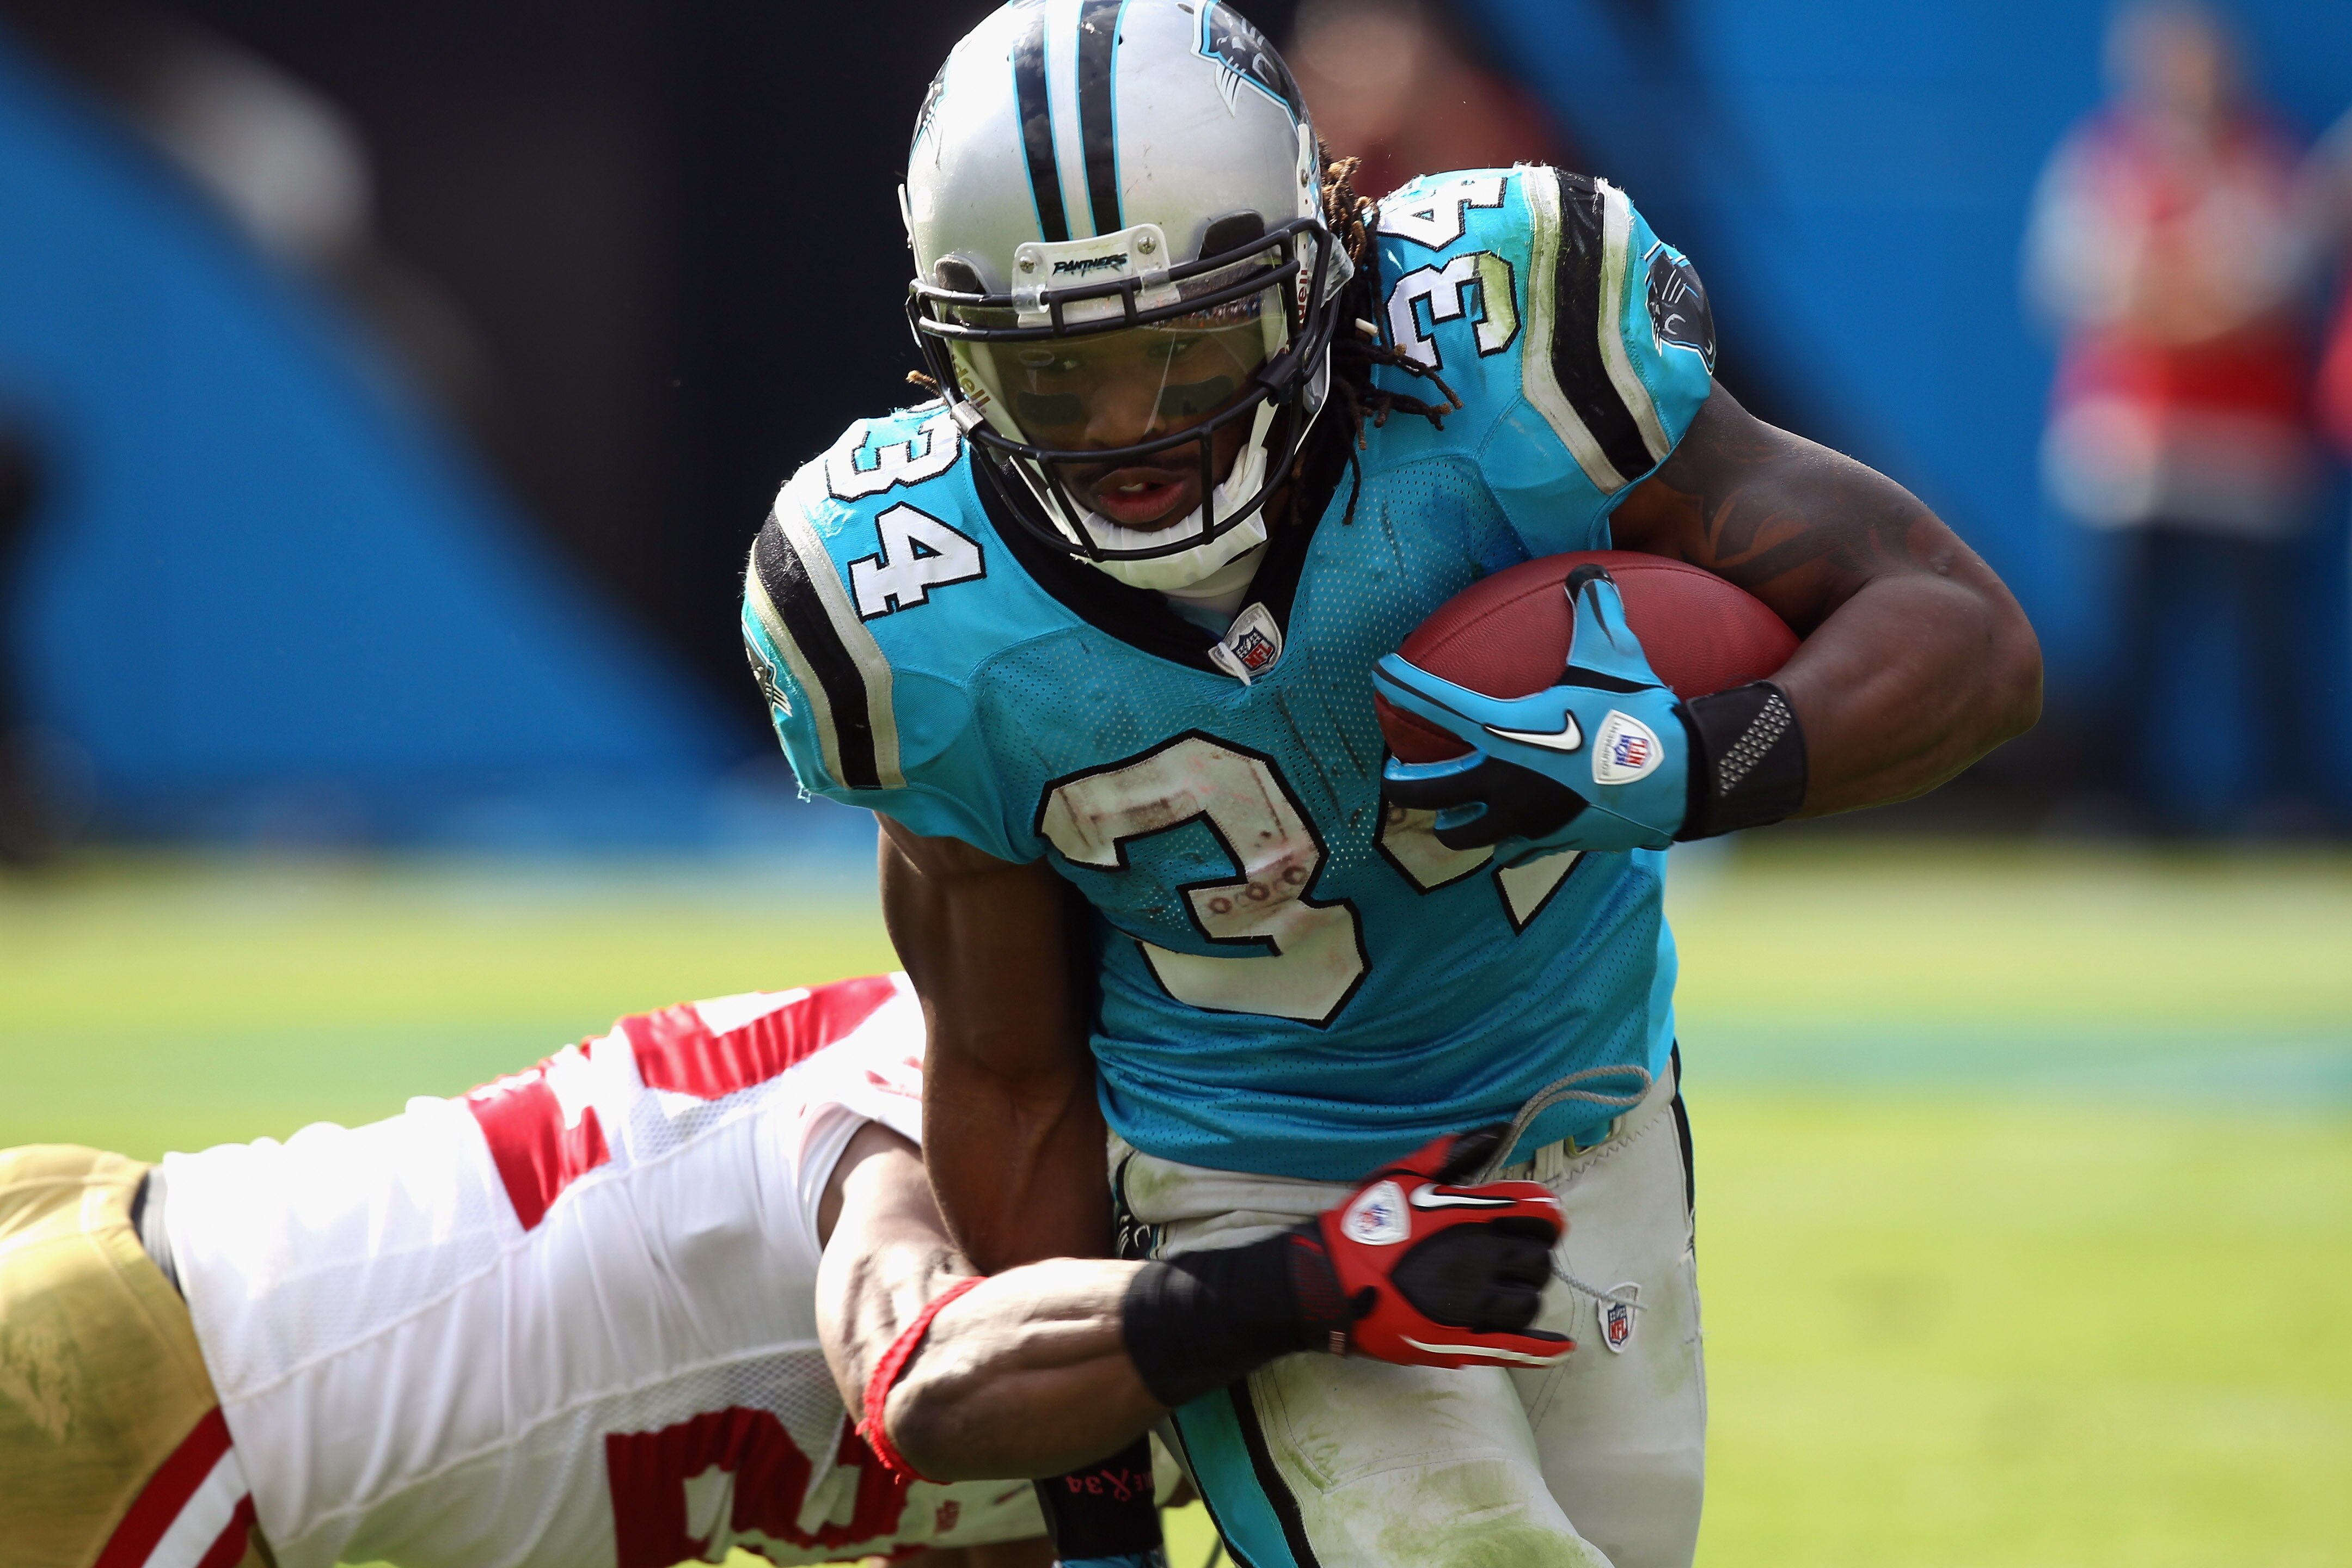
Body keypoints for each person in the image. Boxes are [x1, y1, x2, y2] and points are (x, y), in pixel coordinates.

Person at [740, 5, 2041, 1565]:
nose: (1127, 434)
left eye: (1185, 349)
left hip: (1587, 1109)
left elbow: (1963, 635)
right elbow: (1009, 1067)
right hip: (1244, 1189)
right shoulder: (897, 605)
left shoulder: (1510, 341)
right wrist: (1093, 1488)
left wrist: (1673, 761)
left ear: (1314, 267)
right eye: (1055, 380)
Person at [2, 969, 1558, 1568]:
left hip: (158, 1310)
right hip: (145, 1408)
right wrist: (1307, 1286)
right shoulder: (970, 1097)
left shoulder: (1100, 1361)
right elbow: (926, 1381)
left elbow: (1011, 1473)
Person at [2024, 0, 2321, 830]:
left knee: (2267, 650)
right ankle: (2120, 810)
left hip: (2248, 457)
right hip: (2129, 453)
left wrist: (2174, 301)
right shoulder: (2103, 161)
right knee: (2128, 646)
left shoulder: (2266, 161)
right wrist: (2194, 301)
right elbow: (2078, 288)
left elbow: (2270, 293)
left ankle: (2285, 807)